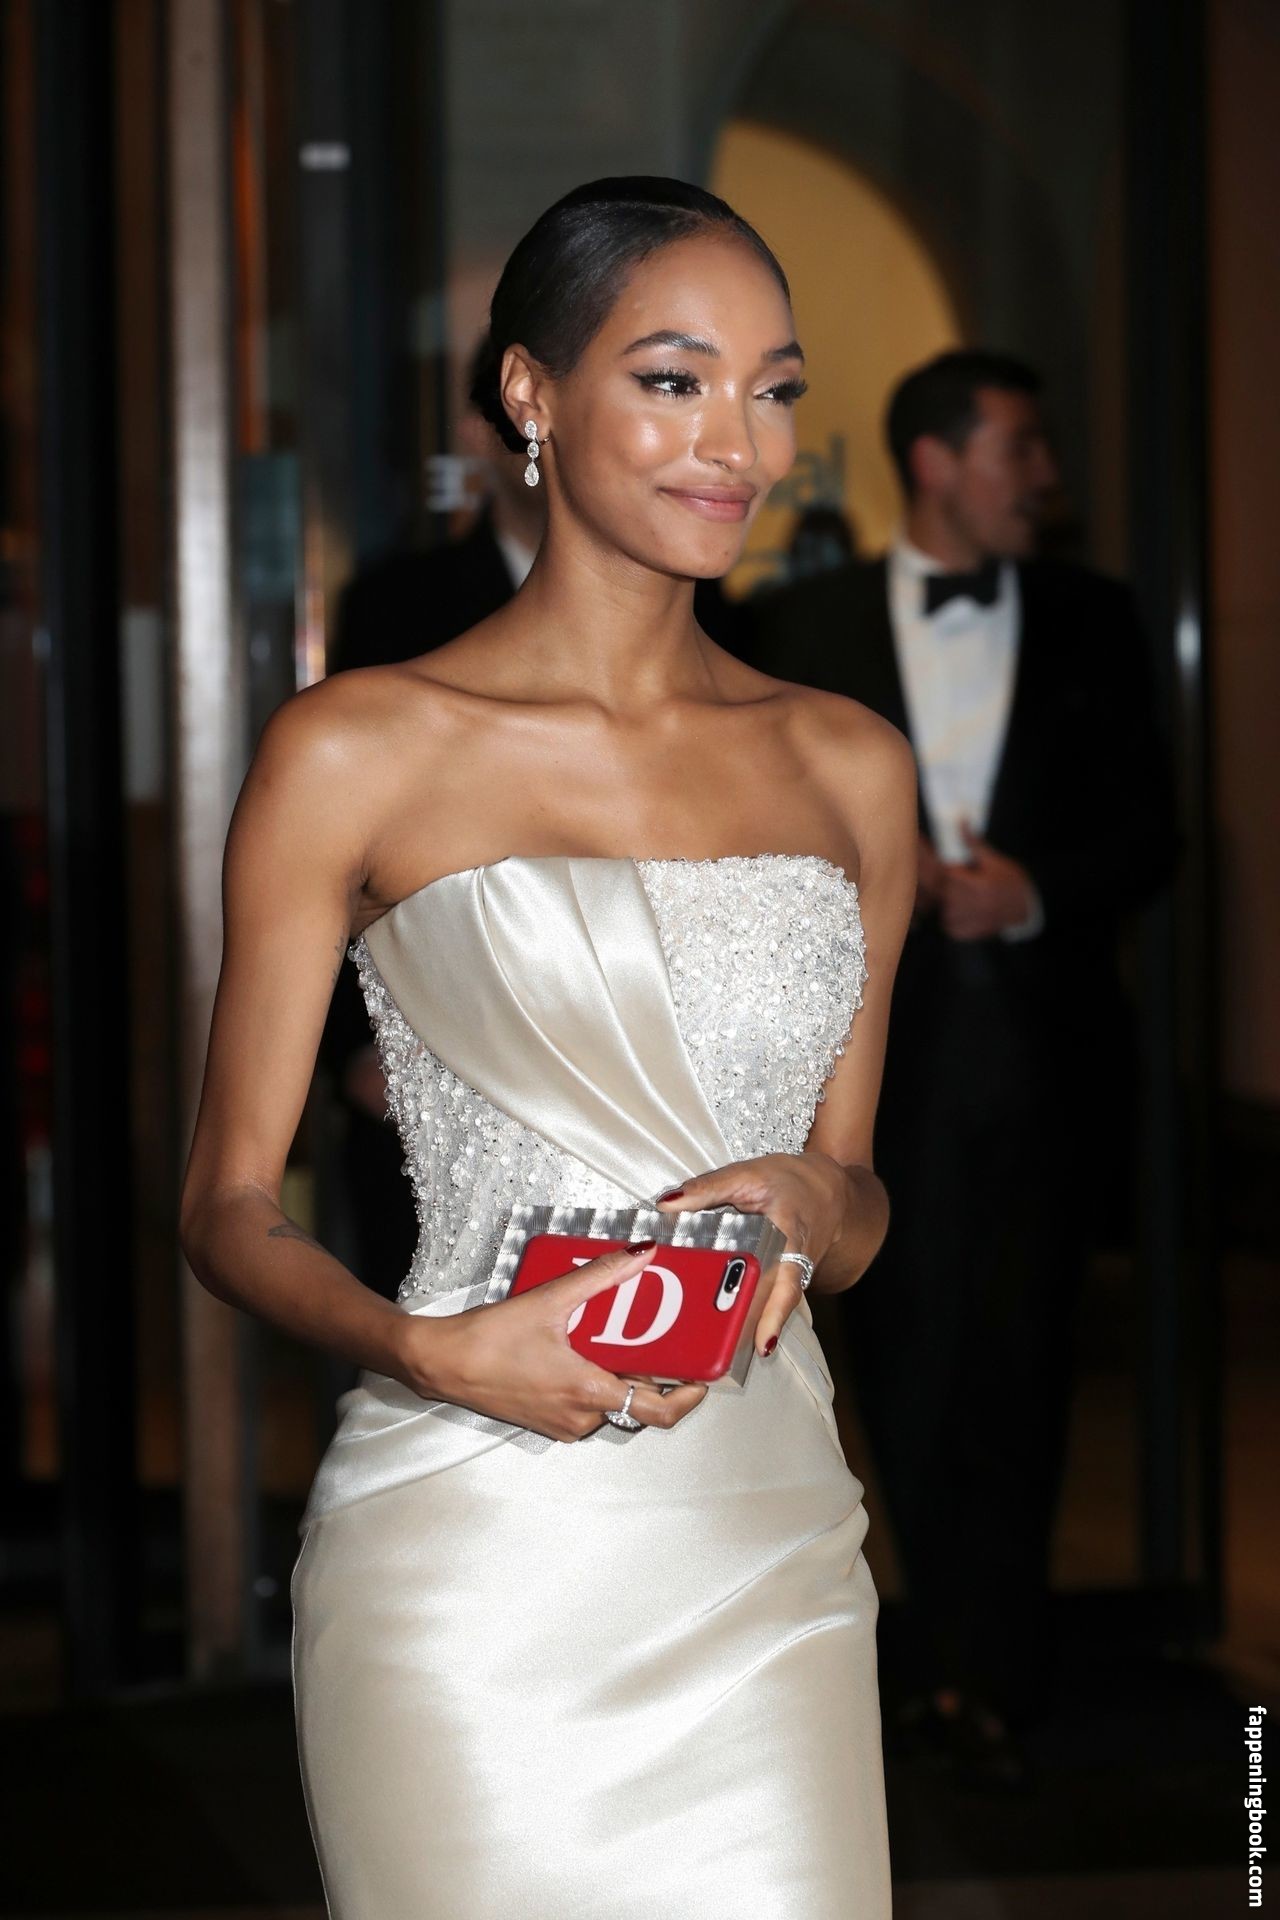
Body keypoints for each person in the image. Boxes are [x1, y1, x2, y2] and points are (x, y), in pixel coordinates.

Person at [179, 177, 916, 1918]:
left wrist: (819, 1200)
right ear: (530, 392)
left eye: (774, 389)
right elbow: (223, 1209)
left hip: (766, 1548)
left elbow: (860, 1201)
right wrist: (423, 1350)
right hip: (473, 1557)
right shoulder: (359, 749)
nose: (737, 442)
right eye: (672, 380)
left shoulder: (849, 766)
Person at [747, 349, 1179, 1788]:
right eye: (1020, 450)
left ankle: (995, 1672)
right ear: (937, 463)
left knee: (1028, 1363)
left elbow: (1155, 832)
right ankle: (924, 1649)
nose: (1043, 479)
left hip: (1045, 1057)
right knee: (899, 1364)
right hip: (875, 1066)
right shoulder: (798, 623)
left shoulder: (1096, 619)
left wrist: (1033, 892)